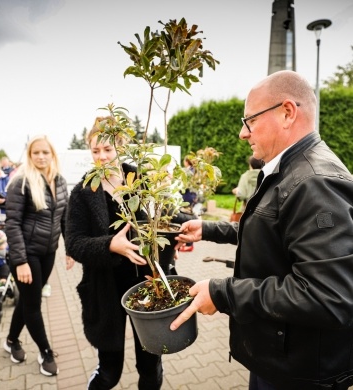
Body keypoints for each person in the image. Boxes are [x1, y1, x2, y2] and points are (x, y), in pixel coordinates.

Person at [170, 70, 353, 390]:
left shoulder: (315, 184)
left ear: (287, 113)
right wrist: (211, 229)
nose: (243, 132)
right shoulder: (290, 170)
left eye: (249, 119)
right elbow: (277, 231)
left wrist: (223, 292)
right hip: (280, 359)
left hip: (298, 373)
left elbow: (327, 297)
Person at [65, 116, 165, 390]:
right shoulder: (83, 192)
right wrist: (110, 245)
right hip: (105, 289)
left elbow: (162, 223)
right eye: (95, 151)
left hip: (147, 285)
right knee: (109, 372)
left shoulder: (142, 181)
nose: (102, 157)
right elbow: (74, 242)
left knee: (150, 364)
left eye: (108, 149)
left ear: (121, 146)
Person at [4, 135, 75, 376]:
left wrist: (69, 250)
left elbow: (64, 219)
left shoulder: (60, 181)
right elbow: (12, 224)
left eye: (45, 152)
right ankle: (45, 351)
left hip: (48, 252)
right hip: (26, 254)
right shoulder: (20, 183)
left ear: (53, 154)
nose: (41, 156)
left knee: (27, 300)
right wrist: (21, 261)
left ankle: (11, 340)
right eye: (36, 153)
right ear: (30, 155)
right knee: (33, 305)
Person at [179, 155, 197, 252]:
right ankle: (187, 243)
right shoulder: (194, 170)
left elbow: (185, 185)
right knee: (188, 217)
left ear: (187, 161)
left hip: (188, 196)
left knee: (187, 218)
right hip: (192, 196)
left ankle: (189, 244)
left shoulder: (188, 171)